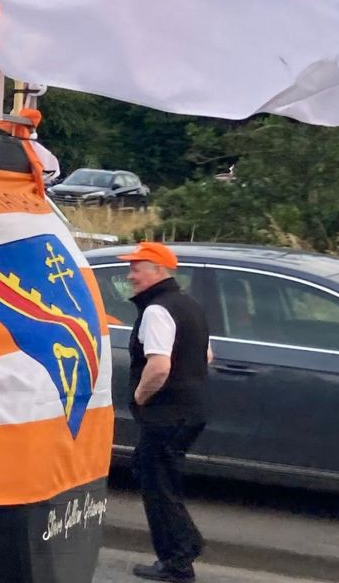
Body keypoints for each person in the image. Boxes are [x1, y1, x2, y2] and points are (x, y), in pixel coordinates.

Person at [126, 241, 210, 583]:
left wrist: (139, 397)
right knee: (152, 475)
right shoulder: (189, 304)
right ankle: (183, 547)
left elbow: (159, 366)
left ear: (158, 271)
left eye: (136, 268)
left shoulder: (157, 310)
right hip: (191, 411)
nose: (129, 275)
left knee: (160, 488)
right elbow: (206, 356)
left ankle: (178, 561)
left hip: (166, 413)